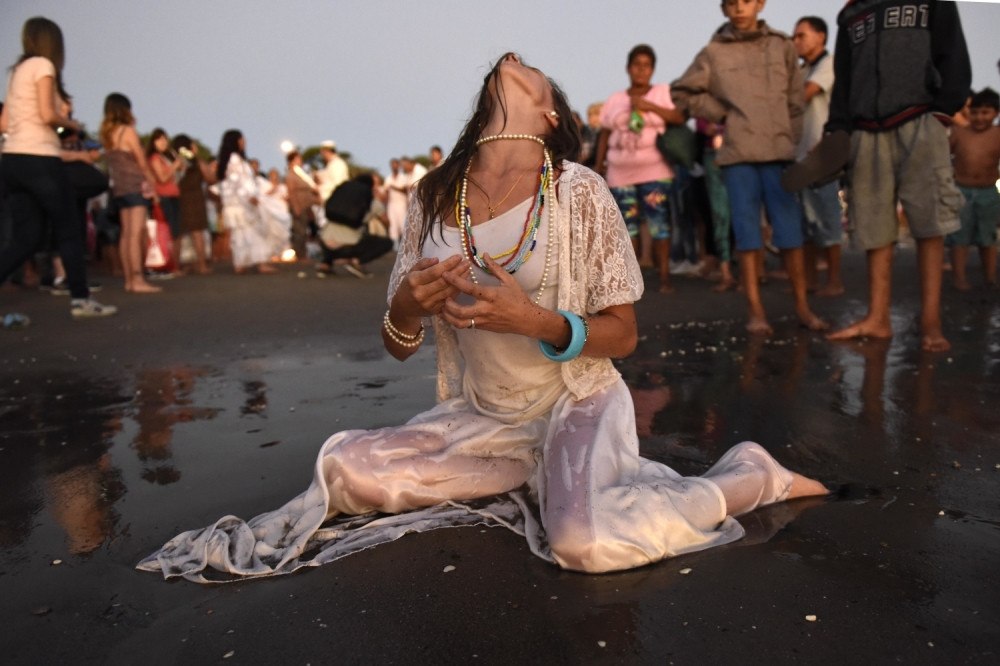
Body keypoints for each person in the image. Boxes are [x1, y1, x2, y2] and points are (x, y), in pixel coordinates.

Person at [138, 52, 828, 583]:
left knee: (580, 543)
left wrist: (538, 322)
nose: (515, 58)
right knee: (347, 474)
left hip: (573, 403)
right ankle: (537, 473)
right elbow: (398, 341)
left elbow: (623, 333)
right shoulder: (435, 196)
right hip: (486, 416)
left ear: (550, 116)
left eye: (534, 73)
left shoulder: (577, 192)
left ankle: (747, 475)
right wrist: (408, 302)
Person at [671, 0, 826, 335]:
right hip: (738, 154)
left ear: (759, 4)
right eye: (731, 3)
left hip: (779, 151)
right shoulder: (713, 52)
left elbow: (795, 99)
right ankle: (755, 309)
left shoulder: (782, 45)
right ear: (724, 9)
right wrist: (721, 114)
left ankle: (802, 306)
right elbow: (682, 91)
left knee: (790, 233)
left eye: (745, 1)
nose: (739, 8)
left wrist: (791, 138)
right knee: (747, 233)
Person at [825, 0, 971, 351]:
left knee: (929, 222)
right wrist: (838, 129)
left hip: (920, 118)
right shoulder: (850, 14)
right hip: (864, 128)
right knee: (874, 226)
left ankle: (931, 322)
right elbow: (843, 79)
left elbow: (952, 53)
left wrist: (941, 111)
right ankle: (878, 318)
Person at [0, 17, 116, 317]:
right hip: (40, 157)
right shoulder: (43, 66)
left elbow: (4, 122)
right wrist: (69, 123)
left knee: (26, 238)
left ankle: (79, 296)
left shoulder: (16, 73)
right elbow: (46, 115)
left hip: (12, 160)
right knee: (68, 227)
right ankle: (81, 299)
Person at [595, 44, 685, 293]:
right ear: (628, 68)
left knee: (658, 223)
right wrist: (598, 164)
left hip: (655, 170)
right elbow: (604, 133)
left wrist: (649, 107)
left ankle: (664, 278)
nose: (641, 70)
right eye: (637, 65)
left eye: (646, 65)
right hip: (620, 171)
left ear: (653, 69)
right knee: (627, 225)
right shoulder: (615, 99)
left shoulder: (662, 92)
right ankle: (632, 282)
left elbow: (678, 117)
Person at [792, 16, 844, 297]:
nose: (796, 41)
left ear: (821, 37)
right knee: (805, 223)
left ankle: (834, 280)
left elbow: (804, 96)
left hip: (822, 154)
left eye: (801, 36)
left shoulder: (829, 64)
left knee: (828, 218)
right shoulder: (804, 70)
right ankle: (810, 280)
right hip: (801, 156)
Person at [101, 93, 163, 293]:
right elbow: (140, 160)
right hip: (135, 186)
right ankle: (138, 279)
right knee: (136, 234)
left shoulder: (108, 135)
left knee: (126, 235)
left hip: (119, 187)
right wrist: (152, 183)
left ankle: (129, 279)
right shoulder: (128, 131)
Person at [946, 87, 1000, 290]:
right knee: (960, 237)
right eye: (975, 112)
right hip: (962, 190)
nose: (979, 117)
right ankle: (959, 277)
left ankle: (990, 277)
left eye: (985, 113)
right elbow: (943, 156)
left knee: (988, 238)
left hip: (988, 191)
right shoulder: (959, 134)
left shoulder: (997, 134)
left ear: (996, 114)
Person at [215, 130, 280, 274]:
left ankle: (242, 263)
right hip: (241, 203)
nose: (244, 141)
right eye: (241, 139)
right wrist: (249, 196)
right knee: (251, 232)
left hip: (239, 202)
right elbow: (236, 181)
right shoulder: (234, 159)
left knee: (243, 234)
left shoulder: (236, 159)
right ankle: (257, 263)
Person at [316, 172, 392, 277]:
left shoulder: (341, 197)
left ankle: (325, 264)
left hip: (324, 242)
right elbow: (386, 221)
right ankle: (357, 262)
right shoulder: (371, 202)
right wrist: (387, 231)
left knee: (334, 235)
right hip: (347, 247)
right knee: (386, 243)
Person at [171, 134, 214, 274]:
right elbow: (211, 178)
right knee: (197, 233)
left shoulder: (175, 162)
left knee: (178, 234)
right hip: (195, 198)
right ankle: (202, 265)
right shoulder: (197, 163)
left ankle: (176, 266)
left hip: (179, 198)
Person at [146, 128, 185, 273]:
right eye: (159, 139)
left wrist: (178, 163)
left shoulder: (166, 157)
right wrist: (174, 167)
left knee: (177, 232)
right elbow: (162, 178)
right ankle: (170, 265)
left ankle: (175, 265)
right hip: (164, 197)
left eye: (165, 139)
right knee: (170, 232)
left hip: (175, 196)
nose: (163, 142)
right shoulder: (154, 158)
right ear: (153, 142)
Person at [284, 150, 320, 261]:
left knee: (304, 230)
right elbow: (291, 192)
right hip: (298, 205)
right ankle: (300, 255)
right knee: (299, 231)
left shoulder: (301, 174)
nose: (301, 161)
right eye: (299, 159)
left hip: (306, 206)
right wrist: (295, 207)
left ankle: (302, 254)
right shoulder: (290, 175)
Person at [383, 157, 409, 243]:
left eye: (395, 165)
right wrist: (386, 207)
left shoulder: (403, 177)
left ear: (398, 166)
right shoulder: (388, 178)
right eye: (392, 165)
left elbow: (405, 190)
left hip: (401, 204)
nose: (394, 167)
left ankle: (403, 245)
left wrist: (394, 187)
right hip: (392, 205)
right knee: (393, 226)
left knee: (402, 225)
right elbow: (386, 192)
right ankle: (394, 248)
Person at [317, 139, 349, 205]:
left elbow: (338, 183)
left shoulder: (337, 164)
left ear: (327, 151)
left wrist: (320, 188)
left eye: (322, 152)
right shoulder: (331, 164)